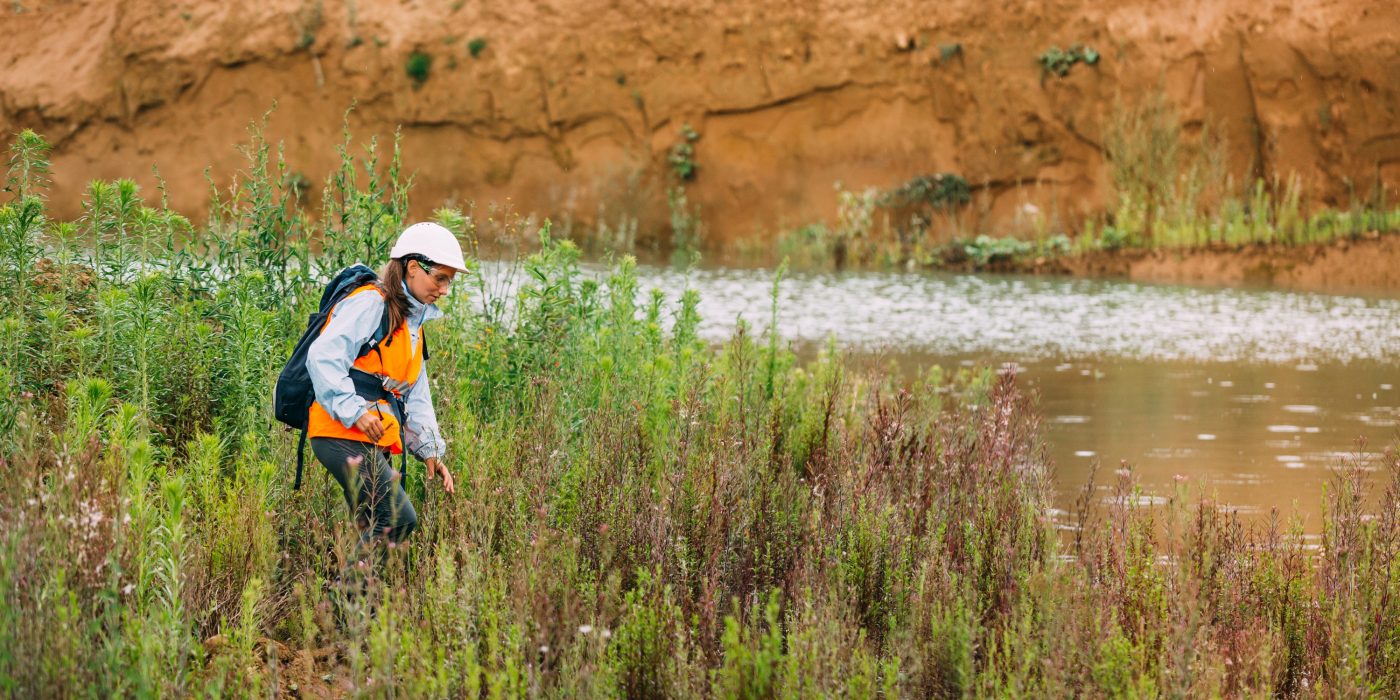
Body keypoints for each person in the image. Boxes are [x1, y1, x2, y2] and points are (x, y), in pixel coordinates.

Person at [305, 222, 464, 549]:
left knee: (373, 529)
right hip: (341, 432)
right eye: (440, 278)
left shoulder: (413, 328)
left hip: (372, 435)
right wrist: (356, 412)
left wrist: (430, 450)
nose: (445, 289)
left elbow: (415, 397)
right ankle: (344, 598)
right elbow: (322, 357)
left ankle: (357, 600)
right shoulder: (371, 303)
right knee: (398, 519)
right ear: (412, 268)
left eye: (450, 280)